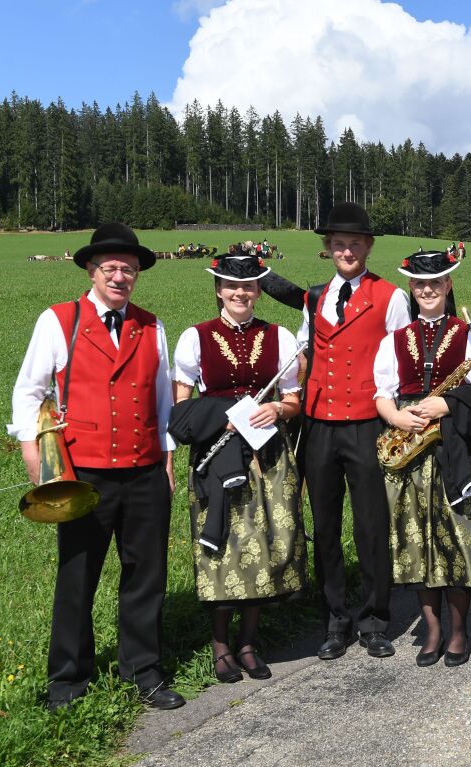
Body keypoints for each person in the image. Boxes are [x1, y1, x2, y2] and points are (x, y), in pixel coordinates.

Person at [8, 222, 184, 710]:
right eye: (110, 267)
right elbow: (29, 391)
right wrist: (32, 453)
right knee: (77, 576)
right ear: (91, 269)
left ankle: (144, 671)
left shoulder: (152, 326)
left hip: (145, 469)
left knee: (146, 575)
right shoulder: (59, 320)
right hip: (83, 475)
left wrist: (167, 459)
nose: (120, 276)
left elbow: (162, 400)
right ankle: (66, 682)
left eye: (128, 269)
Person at [169, 254, 307, 683]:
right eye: (231, 286)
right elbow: (180, 409)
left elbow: (294, 400)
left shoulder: (280, 336)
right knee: (223, 546)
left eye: (248, 287)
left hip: (269, 457)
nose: (240, 293)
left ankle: (249, 642)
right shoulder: (195, 338)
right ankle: (220, 646)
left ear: (259, 291)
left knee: (266, 544)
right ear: (218, 289)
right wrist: (219, 417)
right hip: (218, 454)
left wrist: (277, 410)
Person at [374, 250, 471, 667]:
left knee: (460, 538)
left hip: (456, 446)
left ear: (448, 285)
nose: (428, 289)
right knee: (418, 541)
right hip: (410, 443)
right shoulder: (393, 339)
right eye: (419, 284)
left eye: (436, 282)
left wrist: (446, 407)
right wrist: (397, 415)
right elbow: (382, 392)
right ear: (411, 289)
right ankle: (431, 630)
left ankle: (458, 629)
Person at [298, 202, 411, 659]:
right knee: (325, 528)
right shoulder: (314, 297)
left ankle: (374, 619)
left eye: (355, 244)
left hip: (367, 421)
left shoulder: (390, 296)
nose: (347, 250)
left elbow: (401, 363)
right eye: (339, 244)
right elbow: (305, 355)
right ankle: (335, 620)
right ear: (329, 249)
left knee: (370, 524)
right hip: (319, 422)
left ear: (367, 247)